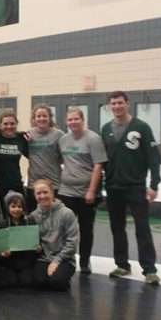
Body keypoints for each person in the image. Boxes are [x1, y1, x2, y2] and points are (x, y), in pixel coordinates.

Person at [101, 91, 161, 285]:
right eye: (113, 104)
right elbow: (102, 160)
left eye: (120, 103)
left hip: (136, 187)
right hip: (113, 187)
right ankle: (122, 265)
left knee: (142, 228)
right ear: (109, 106)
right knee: (117, 227)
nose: (117, 106)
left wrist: (154, 185)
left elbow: (154, 158)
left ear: (127, 104)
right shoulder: (105, 129)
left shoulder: (141, 127)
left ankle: (149, 269)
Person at [58, 107, 107, 274]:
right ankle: (66, 259)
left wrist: (91, 191)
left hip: (86, 193)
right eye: (70, 120)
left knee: (86, 229)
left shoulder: (93, 139)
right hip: (66, 192)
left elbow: (98, 166)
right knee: (65, 229)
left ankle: (85, 261)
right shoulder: (63, 140)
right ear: (66, 122)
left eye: (76, 119)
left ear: (82, 120)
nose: (73, 122)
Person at [28, 180, 79, 291]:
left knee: (57, 282)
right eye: (38, 193)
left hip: (64, 259)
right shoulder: (33, 216)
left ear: (52, 193)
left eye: (45, 192)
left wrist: (57, 261)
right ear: (34, 196)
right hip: (43, 258)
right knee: (38, 282)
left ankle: (62, 277)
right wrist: (36, 247)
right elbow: (34, 241)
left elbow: (72, 243)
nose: (42, 196)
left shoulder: (67, 213)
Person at [26, 104, 64, 210]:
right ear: (34, 118)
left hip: (54, 184)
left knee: (55, 215)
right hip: (33, 184)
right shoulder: (28, 134)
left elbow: (64, 157)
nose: (41, 118)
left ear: (50, 118)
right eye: (38, 116)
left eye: (44, 116)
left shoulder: (59, 135)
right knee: (34, 216)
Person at [0, 110, 29, 201]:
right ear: (0, 125)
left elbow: (32, 156)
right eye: (5, 124)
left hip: (16, 183)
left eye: (12, 124)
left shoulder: (21, 139)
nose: (9, 126)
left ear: (16, 124)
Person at [3, 191, 37, 286]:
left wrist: (37, 247)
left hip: (26, 261)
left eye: (19, 206)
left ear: (23, 208)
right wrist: (3, 253)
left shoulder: (30, 221)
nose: (16, 209)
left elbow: (35, 240)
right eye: (13, 206)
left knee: (27, 282)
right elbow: (0, 246)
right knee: (11, 282)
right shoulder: (3, 223)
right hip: (9, 261)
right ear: (7, 208)